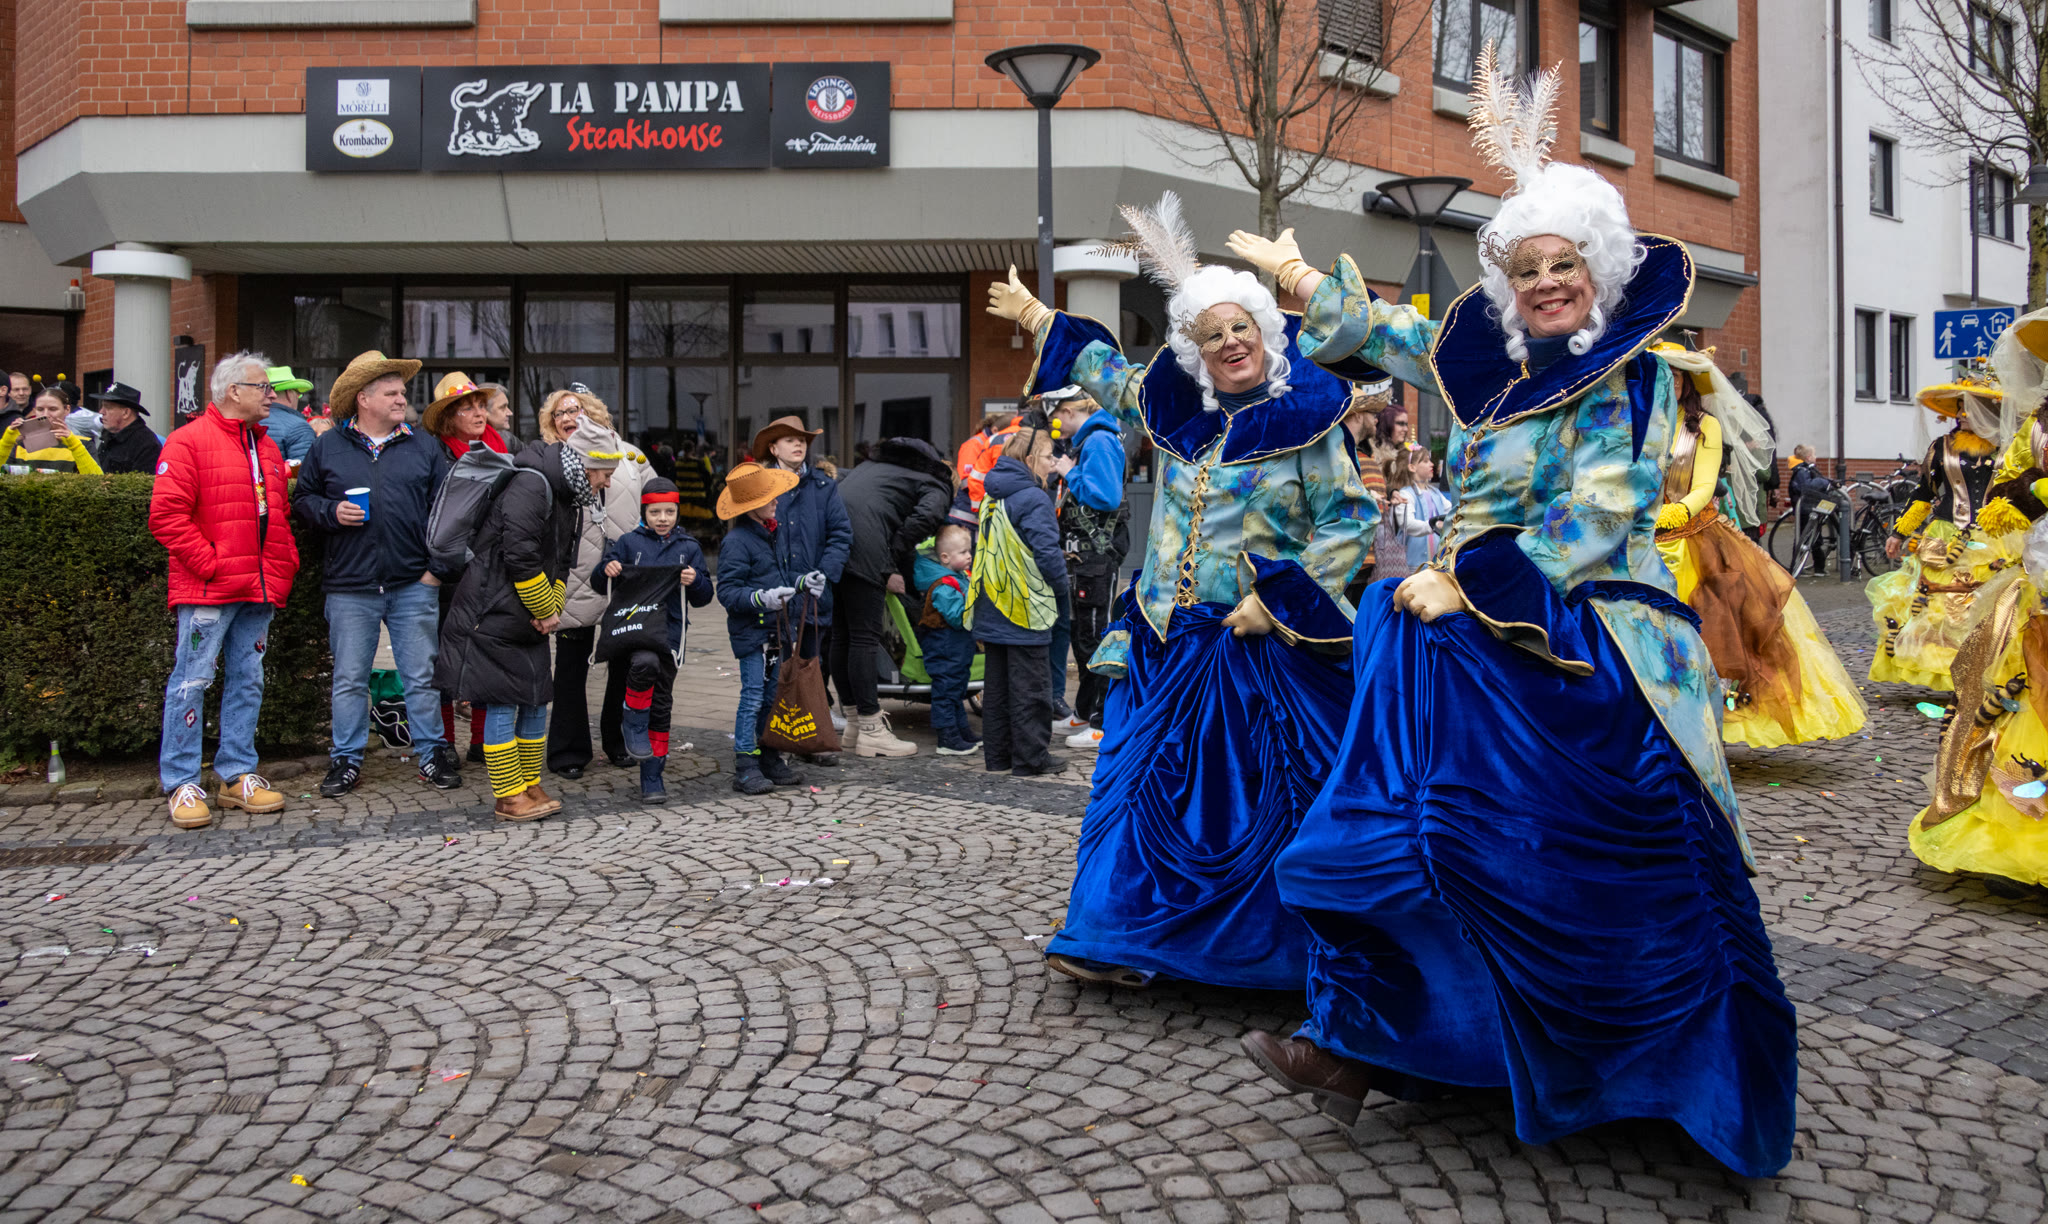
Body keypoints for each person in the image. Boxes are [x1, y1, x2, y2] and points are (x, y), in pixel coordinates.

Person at [1230, 49, 1794, 1179]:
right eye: (1525, 267)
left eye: (1562, 263)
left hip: (1586, 638)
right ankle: (1372, 1041)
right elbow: (1402, 339)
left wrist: (1478, 580)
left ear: (1598, 267)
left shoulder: (1634, 374)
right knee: (1411, 836)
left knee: (1570, 863)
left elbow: (1606, 504)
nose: (1543, 283)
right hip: (1459, 633)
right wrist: (1298, 280)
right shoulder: (1496, 366)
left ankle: (1672, 1076)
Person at [987, 188, 1378, 990]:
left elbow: (1349, 521)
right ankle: (1113, 937)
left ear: (1264, 334)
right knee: (1134, 790)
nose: (1230, 342)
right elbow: (1108, 375)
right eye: (1211, 334)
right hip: (1167, 637)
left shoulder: (1307, 424)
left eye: (1241, 328)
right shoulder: (1175, 413)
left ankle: (1265, 956)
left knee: (1260, 802)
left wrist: (1282, 599)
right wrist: (1038, 317)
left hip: (1259, 642)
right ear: (1195, 353)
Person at [1651, 344, 1866, 747]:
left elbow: (1703, 486)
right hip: (1640, 540)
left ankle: (1704, 718)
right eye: (1661, 375)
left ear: (1688, 383)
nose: (1668, 383)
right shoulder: (1636, 423)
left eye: (1676, 376)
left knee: (1713, 628)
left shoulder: (1704, 426)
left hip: (1694, 544)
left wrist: (1671, 515)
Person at [1912, 307, 2048, 893]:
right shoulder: (2037, 426)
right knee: (2010, 681)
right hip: (2041, 573)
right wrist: (2026, 498)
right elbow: (2005, 493)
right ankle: (2013, 825)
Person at [291, 349, 463, 799]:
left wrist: (436, 572)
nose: (401, 399)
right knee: (350, 678)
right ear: (363, 399)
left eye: (402, 392)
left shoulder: (423, 445)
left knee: (421, 676)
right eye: (391, 393)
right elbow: (302, 501)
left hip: (413, 583)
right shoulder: (328, 446)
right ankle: (346, 759)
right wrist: (331, 512)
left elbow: (450, 513)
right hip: (350, 585)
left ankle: (432, 753)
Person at [435, 420, 618, 821]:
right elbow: (519, 555)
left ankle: (529, 784)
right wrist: (545, 610)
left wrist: (550, 609)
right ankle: (508, 795)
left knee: (535, 700)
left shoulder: (568, 493)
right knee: (502, 703)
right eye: (605, 474)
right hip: (493, 609)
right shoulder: (532, 484)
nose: (606, 483)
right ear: (586, 466)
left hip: (526, 613)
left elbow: (563, 559)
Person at [149, 351, 302, 830]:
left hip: (258, 586)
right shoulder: (188, 441)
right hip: (210, 589)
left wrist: (283, 562)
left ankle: (236, 774)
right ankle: (181, 782)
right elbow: (166, 516)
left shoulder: (266, 446)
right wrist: (211, 565)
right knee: (191, 681)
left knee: (247, 680)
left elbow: (277, 514)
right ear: (234, 391)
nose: (272, 395)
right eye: (263, 387)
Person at [1867, 373, 2018, 690]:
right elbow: (1923, 493)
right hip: (1944, 535)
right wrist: (1898, 533)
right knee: (1935, 608)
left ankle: (1981, 671)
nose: (1962, 414)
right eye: (1960, 407)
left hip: (1994, 538)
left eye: (1970, 407)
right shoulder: (1941, 447)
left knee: (1986, 605)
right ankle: (1946, 674)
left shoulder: (2008, 447)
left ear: (1989, 411)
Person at [538, 390, 655, 777]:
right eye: (558, 413)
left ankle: (618, 740)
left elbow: (656, 502)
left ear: (594, 412)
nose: (567, 417)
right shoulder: (552, 462)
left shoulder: (631, 457)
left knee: (624, 663)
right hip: (574, 579)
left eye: (574, 409)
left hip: (624, 576)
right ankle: (568, 752)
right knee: (571, 668)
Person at [594, 477, 715, 803]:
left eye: (669, 512)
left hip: (670, 634)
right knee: (643, 663)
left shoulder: (688, 547)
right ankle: (632, 722)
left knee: (661, 705)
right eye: (655, 512)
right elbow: (598, 582)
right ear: (644, 512)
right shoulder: (627, 543)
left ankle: (652, 777)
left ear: (677, 512)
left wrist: (696, 580)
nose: (663, 518)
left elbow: (704, 597)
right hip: (632, 631)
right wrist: (607, 569)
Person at [832, 436, 955, 756]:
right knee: (864, 638)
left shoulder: (873, 467)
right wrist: (890, 559)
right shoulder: (935, 481)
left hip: (833, 543)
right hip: (866, 547)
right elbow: (925, 518)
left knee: (842, 635)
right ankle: (871, 729)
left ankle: (854, 726)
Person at [967, 420, 1070, 775]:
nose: (1051, 464)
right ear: (1028, 460)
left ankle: (998, 757)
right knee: (1032, 688)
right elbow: (1047, 554)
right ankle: (1030, 759)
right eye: (1047, 457)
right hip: (1026, 605)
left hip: (992, 602)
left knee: (997, 688)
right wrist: (1061, 589)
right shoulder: (1034, 498)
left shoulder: (992, 495)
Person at [423, 371, 513, 763]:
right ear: (448, 418)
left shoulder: (503, 447)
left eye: (480, 405)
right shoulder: (435, 455)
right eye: (467, 408)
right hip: (448, 572)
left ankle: (481, 742)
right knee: (443, 660)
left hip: (490, 570)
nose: (478, 413)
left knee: (485, 657)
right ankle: (444, 742)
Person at [754, 416, 854, 760]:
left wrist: (824, 575)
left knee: (812, 668)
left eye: (802, 440)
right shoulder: (762, 486)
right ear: (773, 448)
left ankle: (809, 740)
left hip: (813, 595)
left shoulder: (824, 487)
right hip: (775, 597)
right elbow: (751, 538)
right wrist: (766, 583)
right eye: (789, 439)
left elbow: (841, 535)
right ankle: (775, 740)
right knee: (776, 670)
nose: (798, 444)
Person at [1045, 386, 1130, 750]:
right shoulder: (1089, 442)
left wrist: (1070, 473)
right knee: (1083, 637)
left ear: (1068, 410)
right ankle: (1084, 711)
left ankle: (1102, 722)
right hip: (1084, 558)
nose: (1054, 424)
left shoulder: (1099, 441)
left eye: (1055, 416)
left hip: (1096, 557)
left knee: (1095, 637)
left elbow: (1106, 497)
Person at [715, 461, 808, 796]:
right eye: (770, 497)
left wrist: (802, 583)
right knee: (753, 697)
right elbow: (727, 592)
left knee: (771, 697)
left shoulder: (772, 532)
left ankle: (768, 757)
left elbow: (779, 577)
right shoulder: (737, 541)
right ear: (752, 506)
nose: (777, 501)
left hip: (775, 631)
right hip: (753, 634)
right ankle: (746, 765)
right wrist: (761, 598)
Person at [914, 525, 978, 754]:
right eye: (963, 552)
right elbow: (957, 617)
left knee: (957, 688)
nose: (969, 556)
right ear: (945, 557)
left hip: (956, 647)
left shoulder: (957, 578)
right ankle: (947, 737)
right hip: (945, 645)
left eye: (969, 551)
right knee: (946, 690)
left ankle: (961, 730)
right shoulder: (944, 585)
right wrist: (975, 605)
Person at [0, 388, 102, 473]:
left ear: (67, 410)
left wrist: (74, 445)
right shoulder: (21, 443)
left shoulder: (83, 443)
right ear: (34, 411)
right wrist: (6, 443)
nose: (45, 414)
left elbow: (96, 480)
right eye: (40, 409)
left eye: (53, 409)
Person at [1387, 444, 1453, 571]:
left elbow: (1451, 511)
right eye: (1426, 461)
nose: (1431, 464)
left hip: (1436, 563)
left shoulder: (1435, 493)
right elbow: (1407, 524)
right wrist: (1433, 525)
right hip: (1413, 564)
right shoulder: (1406, 494)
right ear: (1412, 467)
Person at [91, 383, 163, 474]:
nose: (101, 412)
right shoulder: (108, 436)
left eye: (108, 407)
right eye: (102, 406)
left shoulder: (147, 444)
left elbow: (143, 481)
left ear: (126, 413)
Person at [260, 367, 317, 464]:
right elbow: (305, 470)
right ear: (289, 393)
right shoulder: (299, 427)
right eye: (298, 394)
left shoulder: (248, 421)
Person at [481, 383, 522, 452]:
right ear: (484, 411)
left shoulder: (509, 440)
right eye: (502, 407)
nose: (510, 413)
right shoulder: (467, 442)